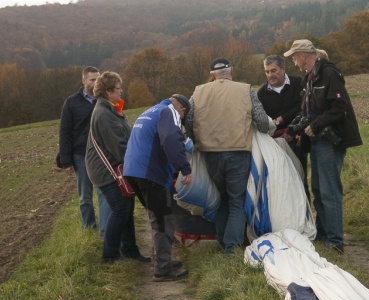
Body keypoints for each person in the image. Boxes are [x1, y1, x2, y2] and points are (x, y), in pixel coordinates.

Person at [184, 58, 272, 254]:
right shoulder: (246, 90)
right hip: (238, 152)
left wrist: (197, 138)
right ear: (231, 72)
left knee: (222, 197)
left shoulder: (198, 92)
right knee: (236, 200)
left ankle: (222, 240)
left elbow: (188, 120)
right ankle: (232, 248)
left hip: (209, 154)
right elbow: (262, 121)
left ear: (213, 76)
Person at [284, 40, 363, 254]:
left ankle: (336, 241)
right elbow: (307, 111)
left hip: (331, 139)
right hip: (317, 141)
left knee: (329, 190)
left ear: (304, 55)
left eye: (294, 56)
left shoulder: (328, 74)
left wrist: (315, 125)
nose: (292, 60)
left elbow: (340, 107)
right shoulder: (309, 79)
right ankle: (322, 235)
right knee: (318, 189)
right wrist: (293, 128)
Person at [123, 94, 192, 281]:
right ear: (183, 111)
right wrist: (184, 168)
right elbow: (170, 138)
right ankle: (162, 270)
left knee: (156, 217)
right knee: (163, 220)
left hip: (132, 170)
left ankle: (162, 260)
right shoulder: (169, 112)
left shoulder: (151, 110)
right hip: (149, 173)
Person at [85, 71, 149, 263]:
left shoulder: (110, 110)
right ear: (108, 91)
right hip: (105, 171)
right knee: (120, 209)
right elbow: (119, 148)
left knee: (126, 207)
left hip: (111, 169)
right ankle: (110, 254)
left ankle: (129, 249)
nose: (121, 92)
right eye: (118, 89)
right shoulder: (104, 114)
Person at [58, 66, 110, 238]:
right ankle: (89, 229)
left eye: (98, 79)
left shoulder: (104, 100)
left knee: (104, 193)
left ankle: (105, 231)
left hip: (102, 154)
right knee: (85, 197)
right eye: (92, 79)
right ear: (83, 81)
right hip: (81, 155)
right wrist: (66, 161)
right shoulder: (71, 103)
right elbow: (64, 132)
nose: (95, 82)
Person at [256, 54, 309, 196]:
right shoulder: (261, 93)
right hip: (275, 143)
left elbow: (303, 107)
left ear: (283, 68)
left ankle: (305, 215)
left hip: (297, 139)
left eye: (273, 71)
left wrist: (281, 119)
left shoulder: (299, 83)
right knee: (281, 182)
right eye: (267, 72)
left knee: (300, 178)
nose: (270, 75)